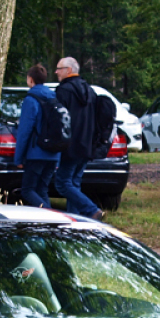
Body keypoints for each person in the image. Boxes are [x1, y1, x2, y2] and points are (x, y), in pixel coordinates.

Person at [52, 56, 103, 220]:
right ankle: (75, 219)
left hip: (70, 145)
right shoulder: (90, 91)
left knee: (62, 183)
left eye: (59, 69)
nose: (56, 72)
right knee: (74, 182)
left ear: (68, 70)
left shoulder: (63, 91)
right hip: (86, 144)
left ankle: (91, 209)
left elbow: (58, 119)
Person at [12, 63, 59, 208]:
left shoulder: (31, 99)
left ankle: (51, 216)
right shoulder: (54, 97)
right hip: (53, 152)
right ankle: (49, 226)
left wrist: (18, 158)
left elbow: (25, 130)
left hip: (36, 152)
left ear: (30, 79)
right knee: (42, 189)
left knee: (27, 190)